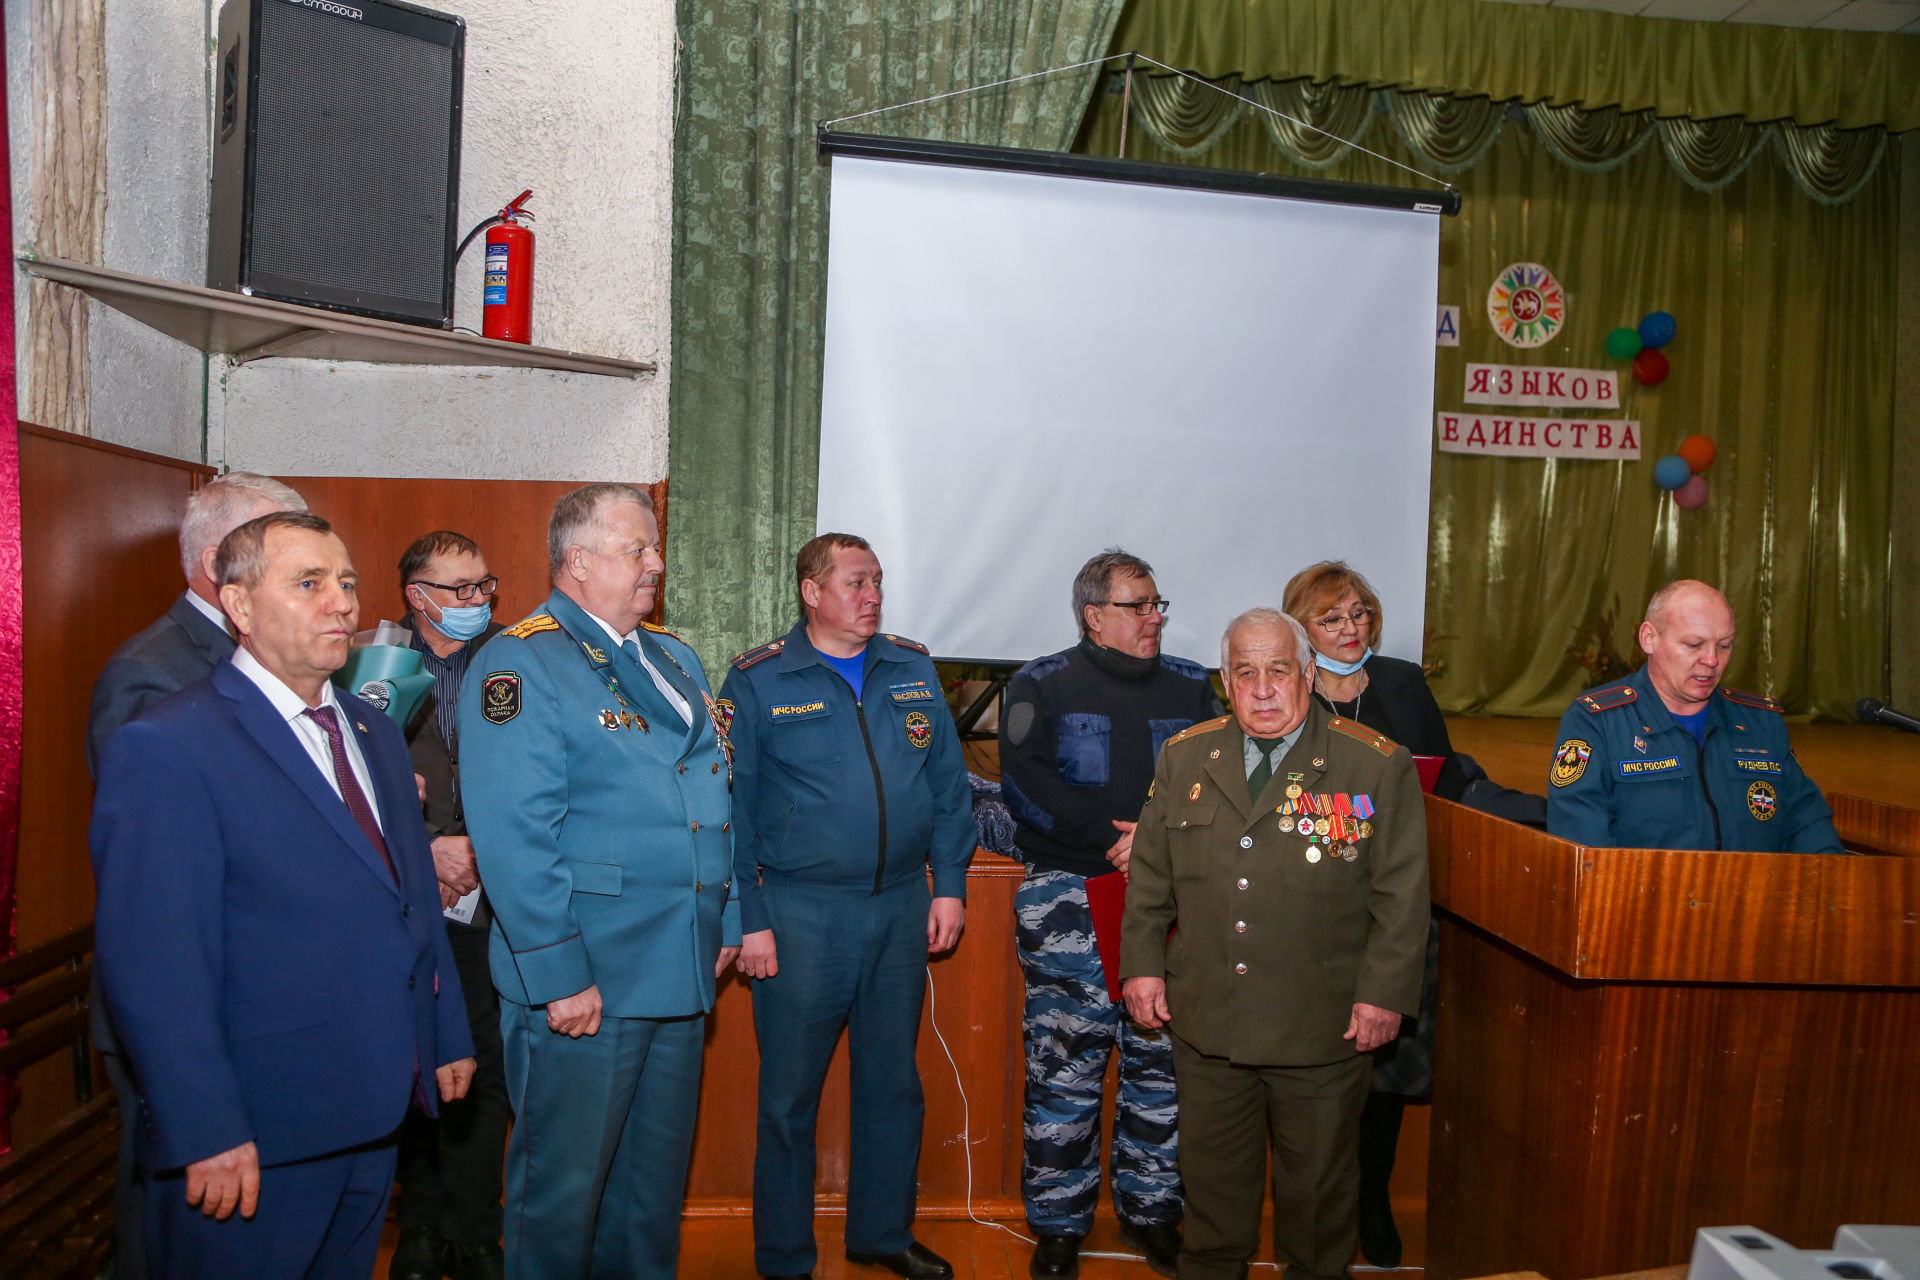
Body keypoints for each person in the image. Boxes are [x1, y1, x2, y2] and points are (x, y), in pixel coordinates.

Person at [90, 511, 476, 1280]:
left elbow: (412, 904)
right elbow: (155, 961)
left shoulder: (371, 731)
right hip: (255, 1127)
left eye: (346, 583)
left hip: (372, 1108)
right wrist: (203, 1125)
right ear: (237, 605)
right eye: (309, 584)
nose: (342, 603)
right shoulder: (170, 744)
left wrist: (445, 1030)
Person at [458, 483, 740, 1280]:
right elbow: (515, 835)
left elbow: (717, 796)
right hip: (588, 981)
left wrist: (726, 917)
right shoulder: (523, 659)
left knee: (648, 1198)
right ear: (576, 561)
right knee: (562, 1197)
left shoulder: (674, 657)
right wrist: (558, 972)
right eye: (636, 548)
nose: (655, 563)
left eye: (653, 548)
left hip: (678, 968)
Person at [1120, 608, 1429, 1280]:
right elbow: (1150, 877)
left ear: (1309, 674)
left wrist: (1384, 996)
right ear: (1225, 681)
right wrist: (1141, 969)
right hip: (1210, 1024)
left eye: (1279, 669)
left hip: (1321, 1027)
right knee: (1211, 1208)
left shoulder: (1373, 765)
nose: (1262, 689)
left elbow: (1402, 897)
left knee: (1318, 1215)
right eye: (1245, 672)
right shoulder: (1185, 757)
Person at [720, 533, 976, 1280]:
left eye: (878, 584)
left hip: (899, 908)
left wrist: (951, 884)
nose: (872, 597)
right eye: (857, 583)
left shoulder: (911, 667)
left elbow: (949, 790)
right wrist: (751, 917)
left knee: (893, 1084)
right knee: (789, 1098)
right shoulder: (760, 680)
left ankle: (881, 1234)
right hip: (802, 915)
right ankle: (785, 1257)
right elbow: (731, 809)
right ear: (812, 590)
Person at [84, 470, 307, 1280]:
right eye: (297, 560)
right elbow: (158, 872)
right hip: (184, 1000)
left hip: (264, 994)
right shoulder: (154, 671)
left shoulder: (270, 662)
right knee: (171, 1227)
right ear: (223, 564)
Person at [997, 549, 1218, 1280]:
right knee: (1065, 1069)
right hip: (1070, 893)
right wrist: (1110, 839)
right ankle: (1059, 1225)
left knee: (1161, 1069)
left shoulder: (1194, 687)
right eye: (1138, 605)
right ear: (1095, 616)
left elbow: (1217, 784)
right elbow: (1024, 785)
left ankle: (1153, 1215)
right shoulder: (1042, 682)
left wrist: (1152, 841)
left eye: (1158, 605)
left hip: (1171, 899)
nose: (1154, 617)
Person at [1282, 560, 1450, 1268]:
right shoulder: (1284, 684)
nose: (1351, 629)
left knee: (1385, 1071)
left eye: (1360, 614)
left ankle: (1371, 1194)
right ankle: (1321, 1206)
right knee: (1321, 1071)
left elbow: (1447, 766)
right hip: (1313, 905)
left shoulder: (1403, 682)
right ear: (1302, 628)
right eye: (1333, 618)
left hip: (1394, 900)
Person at [390, 531, 508, 1280]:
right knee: (415, 1058)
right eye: (457, 589)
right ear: (416, 595)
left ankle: (474, 1230)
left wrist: (479, 853)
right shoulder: (368, 661)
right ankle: (421, 1225)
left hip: (494, 891)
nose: (474, 602)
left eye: (483, 586)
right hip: (403, 888)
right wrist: (425, 848)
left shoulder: (519, 653)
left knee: (484, 1060)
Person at [1547, 579, 1843, 853]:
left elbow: (1808, 825)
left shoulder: (1761, 723)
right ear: (1649, 639)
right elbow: (1582, 846)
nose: (1712, 660)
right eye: (1694, 645)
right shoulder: (1597, 722)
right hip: (1645, 905)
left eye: (1724, 645)